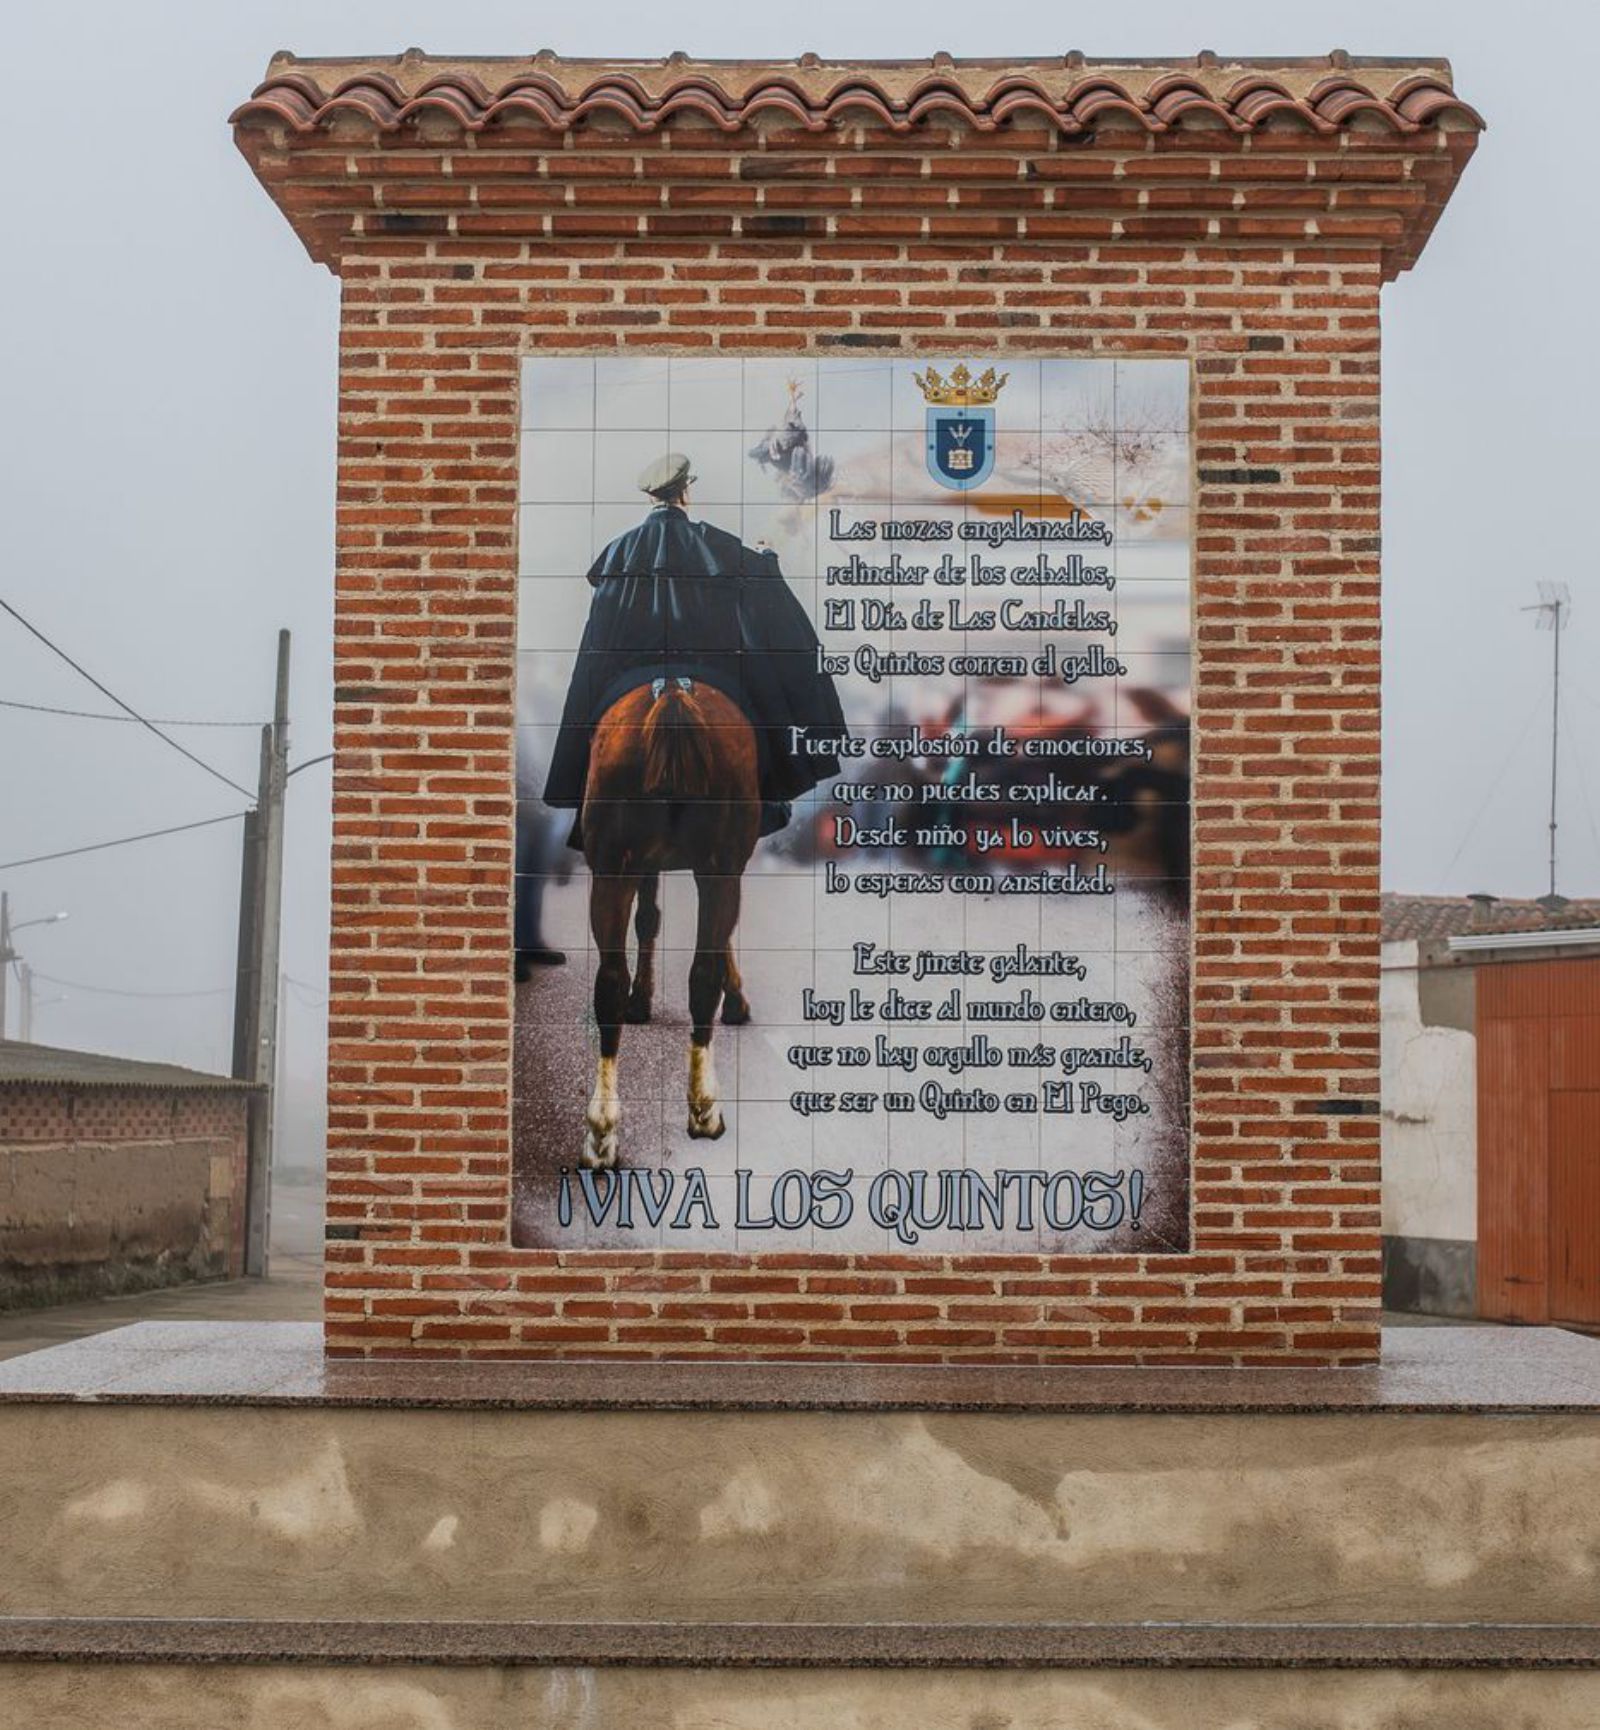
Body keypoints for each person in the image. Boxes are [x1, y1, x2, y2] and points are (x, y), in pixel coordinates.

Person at [543, 453, 847, 845]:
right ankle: (768, 797)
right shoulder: (710, 541)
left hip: (629, 673)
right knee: (761, 710)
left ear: (650, 498)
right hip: (709, 671)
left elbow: (602, 633)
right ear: (684, 493)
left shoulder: (618, 551)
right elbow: (760, 585)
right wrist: (768, 556)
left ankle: (588, 801)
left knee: (593, 709)